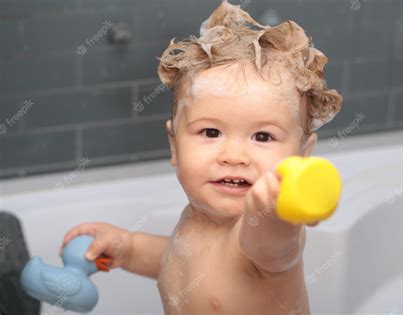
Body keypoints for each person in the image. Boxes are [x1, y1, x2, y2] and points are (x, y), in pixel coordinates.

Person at [61, 1, 342, 314]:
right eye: (210, 133)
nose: (234, 156)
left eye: (263, 137)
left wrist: (278, 210)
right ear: (174, 146)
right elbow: (180, 261)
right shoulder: (197, 218)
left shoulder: (260, 239)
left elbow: (273, 242)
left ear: (301, 156)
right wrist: (127, 248)